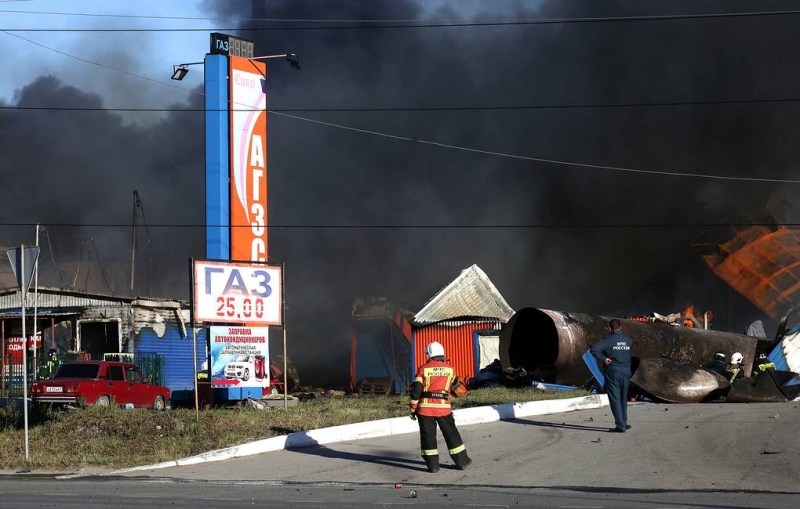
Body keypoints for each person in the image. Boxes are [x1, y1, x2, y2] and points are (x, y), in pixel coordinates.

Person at [409, 341, 472, 473]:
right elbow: (456, 387)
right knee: (451, 434)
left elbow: (416, 390)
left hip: (425, 409)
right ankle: (462, 462)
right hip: (444, 408)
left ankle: (433, 466)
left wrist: (413, 409)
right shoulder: (450, 369)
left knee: (428, 437)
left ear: (429, 354)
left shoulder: (423, 369)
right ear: (442, 354)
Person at [590, 319, 633, 433]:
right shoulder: (628, 340)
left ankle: (620, 426)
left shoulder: (607, 340)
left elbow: (594, 349)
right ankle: (624, 422)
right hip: (626, 372)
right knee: (623, 398)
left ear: (609, 328)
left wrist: (604, 358)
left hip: (613, 372)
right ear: (621, 327)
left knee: (615, 398)